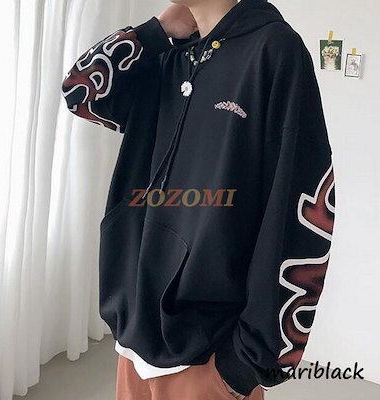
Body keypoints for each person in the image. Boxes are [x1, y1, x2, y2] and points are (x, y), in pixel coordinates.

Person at [62, 0, 336, 399]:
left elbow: (302, 214)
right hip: (132, 342)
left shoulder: (275, 51)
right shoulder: (168, 55)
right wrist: (154, 32)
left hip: (207, 358)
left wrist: (241, 369)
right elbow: (80, 90)